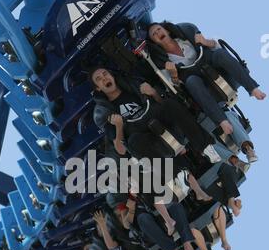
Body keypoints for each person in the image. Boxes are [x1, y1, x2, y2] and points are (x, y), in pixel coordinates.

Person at [147, 21, 265, 155]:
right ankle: (222, 121)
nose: (157, 33)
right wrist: (174, 74)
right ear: (155, 42)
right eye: (154, 34)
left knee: (220, 54)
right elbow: (173, 87)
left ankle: (252, 89)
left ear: (167, 31)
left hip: (211, 67)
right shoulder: (165, 60)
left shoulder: (185, 38)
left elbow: (216, 45)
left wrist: (205, 41)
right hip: (196, 82)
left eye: (158, 29)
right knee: (191, 81)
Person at [90, 67, 220, 164]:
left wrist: (153, 92)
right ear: (98, 88)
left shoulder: (132, 84)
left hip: (155, 117)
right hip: (140, 133)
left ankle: (205, 147)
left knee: (169, 104)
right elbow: (121, 151)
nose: (104, 78)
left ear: (112, 75)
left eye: (105, 74)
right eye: (99, 79)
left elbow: (162, 104)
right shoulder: (104, 111)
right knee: (134, 142)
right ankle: (175, 176)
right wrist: (118, 126)